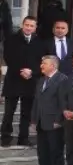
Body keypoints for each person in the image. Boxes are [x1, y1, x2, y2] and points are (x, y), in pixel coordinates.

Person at [2, 16, 44, 147]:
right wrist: (22, 70)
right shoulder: (12, 39)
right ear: (22, 25)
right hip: (14, 79)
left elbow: (41, 61)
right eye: (27, 25)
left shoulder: (39, 42)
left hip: (30, 81)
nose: (29, 28)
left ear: (35, 28)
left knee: (26, 112)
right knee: (9, 111)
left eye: (32, 26)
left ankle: (23, 137)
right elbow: (8, 57)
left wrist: (32, 72)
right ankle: (5, 136)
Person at [31, 55, 68, 165]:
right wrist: (34, 119)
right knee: (42, 149)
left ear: (53, 65)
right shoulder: (41, 80)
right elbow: (36, 101)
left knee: (55, 148)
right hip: (41, 121)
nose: (41, 66)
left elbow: (63, 102)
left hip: (54, 121)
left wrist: (58, 120)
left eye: (44, 64)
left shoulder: (62, 79)